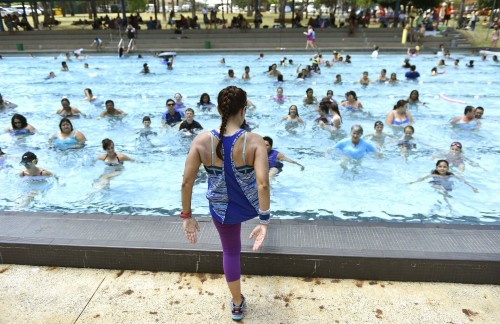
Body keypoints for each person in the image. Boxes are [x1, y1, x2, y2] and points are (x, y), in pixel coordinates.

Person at [180, 86, 270, 321]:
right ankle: (238, 302)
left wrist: (187, 216)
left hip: (221, 209)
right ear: (244, 109)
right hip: (249, 206)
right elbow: (263, 185)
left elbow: (187, 183)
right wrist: (263, 220)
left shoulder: (201, 141)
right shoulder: (255, 141)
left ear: (219, 109)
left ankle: (237, 304)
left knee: (231, 251)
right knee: (233, 248)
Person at [409, 160, 478, 192]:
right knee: (441, 188)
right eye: (440, 166)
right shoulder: (433, 175)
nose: (442, 168)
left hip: (447, 187)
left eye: (444, 167)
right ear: (436, 168)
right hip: (436, 184)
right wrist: (412, 182)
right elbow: (422, 179)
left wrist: (473, 187)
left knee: (447, 189)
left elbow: (463, 181)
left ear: (448, 168)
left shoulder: (450, 175)